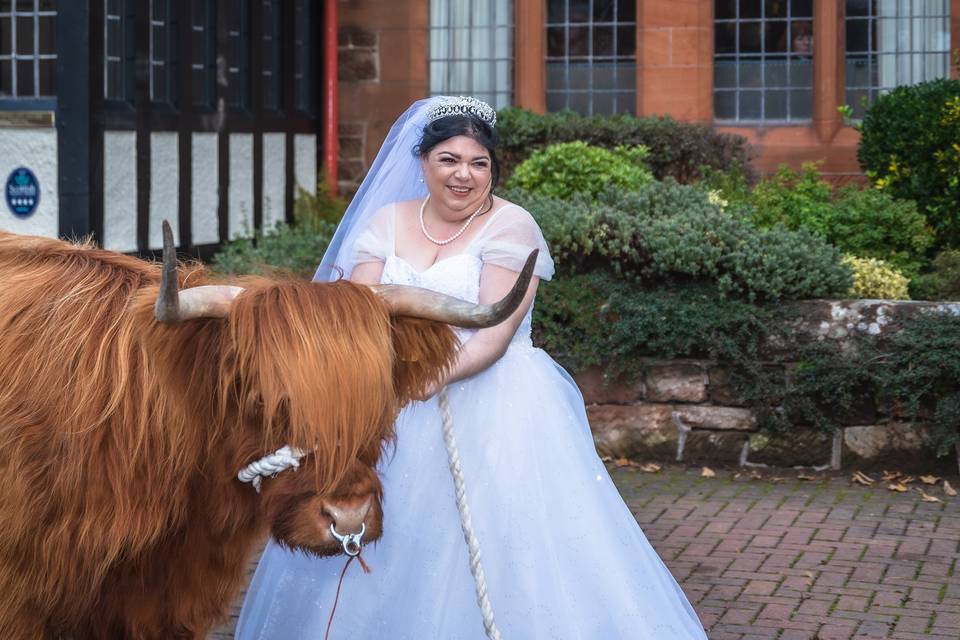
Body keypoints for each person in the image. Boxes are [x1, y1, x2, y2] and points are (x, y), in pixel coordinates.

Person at [234, 96, 708, 639]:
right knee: (373, 513)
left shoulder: (512, 226)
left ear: (492, 169)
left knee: (500, 540)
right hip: (390, 402)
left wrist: (417, 383)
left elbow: (493, 335)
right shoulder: (386, 223)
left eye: (478, 163)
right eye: (449, 160)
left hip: (492, 401)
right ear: (423, 164)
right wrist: (361, 388)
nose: (464, 175)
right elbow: (351, 316)